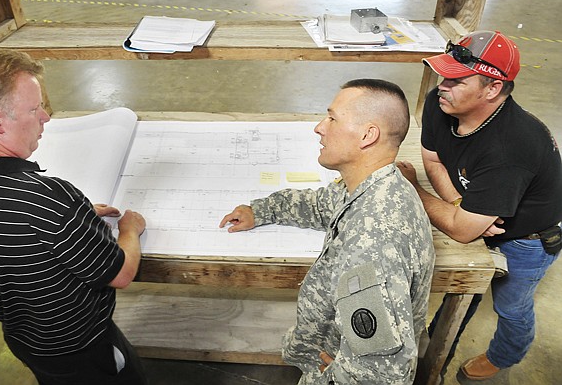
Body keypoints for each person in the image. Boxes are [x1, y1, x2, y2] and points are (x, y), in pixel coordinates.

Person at [0, 48, 148, 385]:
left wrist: (73, 220)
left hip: (28, 344)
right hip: (85, 352)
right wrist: (129, 229)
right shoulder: (47, 199)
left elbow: (13, 238)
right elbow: (121, 273)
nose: (46, 118)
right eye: (35, 108)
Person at [220, 79, 435, 384]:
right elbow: (323, 204)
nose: (320, 127)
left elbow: (379, 373)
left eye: (333, 118)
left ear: (367, 135)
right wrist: (263, 210)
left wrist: (329, 379)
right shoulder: (377, 185)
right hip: (333, 350)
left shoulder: (373, 241)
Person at [397, 30, 562, 381]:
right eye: (444, 75)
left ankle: (505, 355)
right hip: (479, 206)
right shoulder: (441, 103)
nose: (443, 85)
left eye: (457, 80)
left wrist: (413, 188)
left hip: (526, 238)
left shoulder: (510, 149)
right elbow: (434, 158)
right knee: (464, 289)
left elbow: (460, 230)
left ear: (492, 89)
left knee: (511, 305)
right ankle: (438, 343)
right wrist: (460, 204)